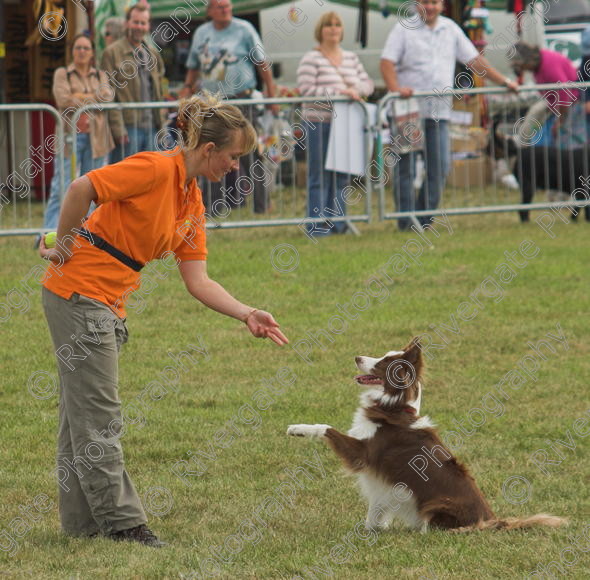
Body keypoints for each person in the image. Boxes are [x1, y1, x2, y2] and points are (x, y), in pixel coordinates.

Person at [38, 93, 289, 547]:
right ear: (209, 150)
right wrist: (63, 244)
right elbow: (81, 189)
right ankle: (124, 524)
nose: (236, 166)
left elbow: (200, 281)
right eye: (234, 157)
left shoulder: (191, 200)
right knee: (99, 415)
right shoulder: (155, 168)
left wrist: (247, 313)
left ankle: (81, 524)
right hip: (78, 293)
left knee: (80, 414)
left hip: (103, 299)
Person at [380, 0, 519, 231]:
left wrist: (504, 81)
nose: (430, 7)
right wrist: (395, 89)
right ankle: (405, 222)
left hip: (439, 112)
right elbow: (386, 63)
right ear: (417, 5)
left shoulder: (451, 29)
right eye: (425, 2)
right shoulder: (403, 29)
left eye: (434, 2)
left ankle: (423, 220)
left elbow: (475, 61)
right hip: (409, 112)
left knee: (441, 166)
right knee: (406, 167)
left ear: (442, 5)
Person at [179, 0, 277, 214]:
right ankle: (212, 207)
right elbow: (194, 67)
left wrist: (271, 93)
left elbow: (263, 64)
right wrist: (186, 89)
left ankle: (262, 205)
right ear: (210, 10)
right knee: (211, 153)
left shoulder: (244, 29)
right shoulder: (202, 33)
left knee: (250, 152)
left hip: (242, 102)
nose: (226, 10)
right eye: (221, 6)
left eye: (228, 6)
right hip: (213, 104)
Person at [297, 12, 374, 236]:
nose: (333, 29)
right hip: (318, 123)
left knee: (341, 173)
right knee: (318, 175)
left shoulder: (351, 58)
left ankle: (338, 222)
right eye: (328, 25)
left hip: (346, 123)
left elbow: (368, 83)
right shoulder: (311, 59)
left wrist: (355, 90)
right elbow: (307, 90)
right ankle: (317, 224)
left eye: (337, 25)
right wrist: (338, 93)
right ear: (320, 31)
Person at [42, 33, 114, 233]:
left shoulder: (101, 75)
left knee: (93, 187)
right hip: (69, 137)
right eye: (78, 48)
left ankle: (87, 231)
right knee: (61, 185)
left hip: (96, 138)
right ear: (72, 51)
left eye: (86, 48)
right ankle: (49, 232)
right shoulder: (62, 73)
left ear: (92, 53)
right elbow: (63, 99)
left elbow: (107, 98)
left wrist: (79, 98)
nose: (81, 52)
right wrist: (92, 98)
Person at [101, 2, 165, 163]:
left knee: (150, 180)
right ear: (127, 23)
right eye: (135, 22)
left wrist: (162, 126)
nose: (139, 27)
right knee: (122, 182)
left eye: (143, 23)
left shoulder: (153, 54)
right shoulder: (112, 53)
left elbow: (159, 91)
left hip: (152, 127)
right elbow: (107, 94)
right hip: (128, 129)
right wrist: (118, 129)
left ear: (148, 26)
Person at [511, 42, 584, 148]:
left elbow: (564, 93)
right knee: (535, 112)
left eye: (521, 66)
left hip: (571, 100)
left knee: (547, 126)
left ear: (527, 60)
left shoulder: (549, 64)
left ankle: (522, 146)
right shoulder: (538, 64)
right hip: (554, 101)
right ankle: (521, 145)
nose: (522, 69)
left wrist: (560, 121)